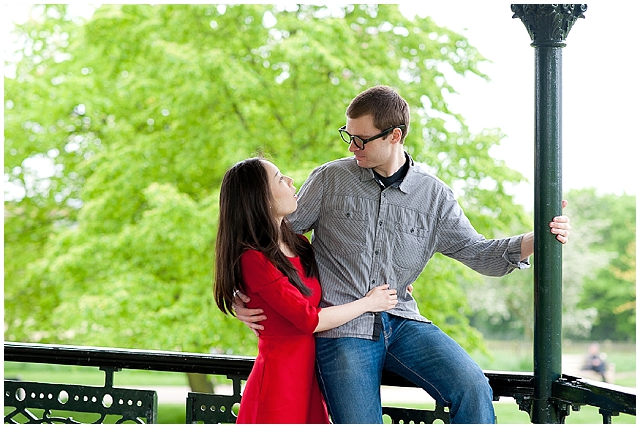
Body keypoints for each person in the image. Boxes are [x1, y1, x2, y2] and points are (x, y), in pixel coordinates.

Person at [233, 85, 572, 424]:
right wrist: (243, 293)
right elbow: (267, 233)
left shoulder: (434, 196)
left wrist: (535, 238)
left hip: (405, 321)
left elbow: (479, 252)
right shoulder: (330, 179)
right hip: (343, 329)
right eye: (348, 136)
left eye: (362, 139)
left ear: (394, 136)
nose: (352, 147)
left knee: (473, 387)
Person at [213, 157, 398, 424]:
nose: (290, 181)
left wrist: (396, 281)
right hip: (280, 381)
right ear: (260, 199)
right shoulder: (253, 258)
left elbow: (344, 274)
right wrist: (369, 303)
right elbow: (309, 319)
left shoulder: (299, 244)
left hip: (309, 375)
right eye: (279, 179)